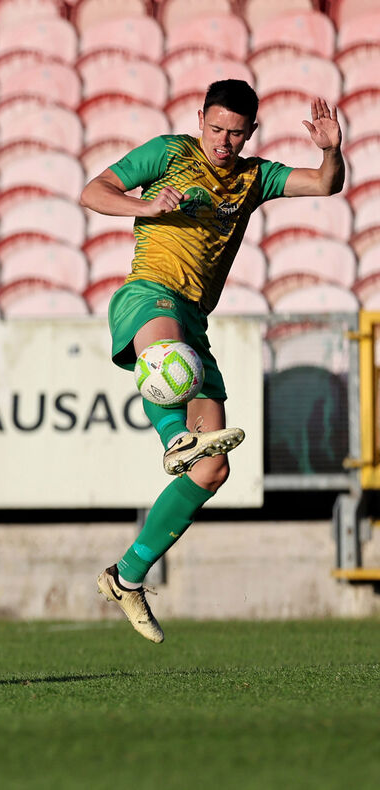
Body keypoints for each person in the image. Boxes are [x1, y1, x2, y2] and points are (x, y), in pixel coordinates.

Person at [79, 80, 345, 642]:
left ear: (251, 132)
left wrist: (330, 150)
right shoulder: (169, 153)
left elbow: (325, 184)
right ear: (200, 118)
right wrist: (144, 204)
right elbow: (93, 192)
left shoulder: (255, 177)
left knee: (214, 468)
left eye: (235, 132)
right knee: (168, 357)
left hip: (195, 317)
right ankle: (174, 434)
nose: (223, 141)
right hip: (148, 291)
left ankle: (125, 578)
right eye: (215, 128)